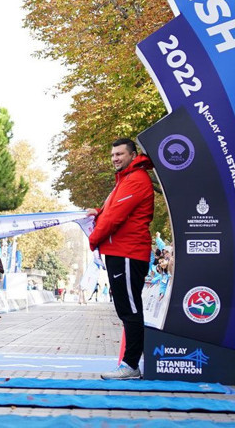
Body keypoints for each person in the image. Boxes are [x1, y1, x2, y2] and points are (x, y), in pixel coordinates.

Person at [87, 138, 154, 380]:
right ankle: (131, 363)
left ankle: (131, 365)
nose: (115, 158)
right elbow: (111, 211)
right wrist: (97, 212)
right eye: (113, 154)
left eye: (120, 154)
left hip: (128, 252)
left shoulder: (136, 179)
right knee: (126, 308)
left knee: (130, 309)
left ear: (133, 155)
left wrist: (93, 239)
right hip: (120, 252)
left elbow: (116, 217)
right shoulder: (125, 180)